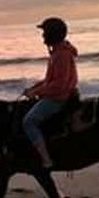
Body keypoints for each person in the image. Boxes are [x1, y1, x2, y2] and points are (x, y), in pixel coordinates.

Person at [22, 17, 79, 169]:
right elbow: (49, 80)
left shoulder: (61, 55)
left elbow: (59, 84)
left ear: (52, 34)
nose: (42, 36)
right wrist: (33, 89)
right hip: (57, 94)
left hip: (59, 98)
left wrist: (36, 92)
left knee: (29, 121)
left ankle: (46, 159)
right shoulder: (58, 52)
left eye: (45, 32)